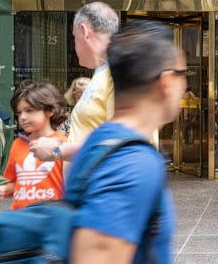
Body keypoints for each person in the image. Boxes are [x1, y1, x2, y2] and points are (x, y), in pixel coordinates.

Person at [68, 20, 185, 263]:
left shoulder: (102, 140)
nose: (185, 84)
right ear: (166, 81)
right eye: (182, 74)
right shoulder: (133, 163)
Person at [30, 2, 120, 163]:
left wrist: (57, 150)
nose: (74, 44)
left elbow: (119, 143)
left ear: (84, 32)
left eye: (74, 37)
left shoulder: (118, 74)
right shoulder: (103, 74)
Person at [0, 82, 66, 210]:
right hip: (22, 219)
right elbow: (17, 183)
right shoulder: (17, 144)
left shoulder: (63, 144)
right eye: (19, 113)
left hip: (50, 219)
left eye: (29, 110)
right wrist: (4, 189)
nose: (23, 117)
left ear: (50, 111)